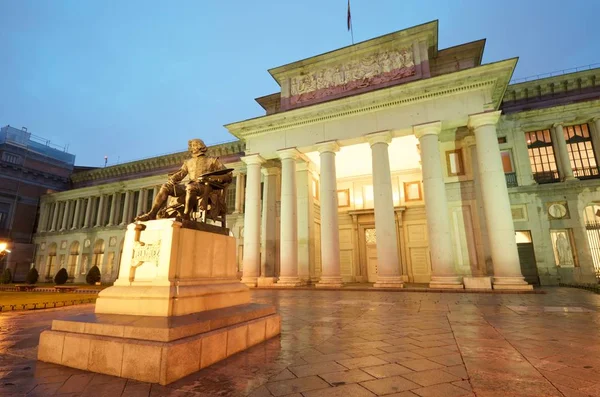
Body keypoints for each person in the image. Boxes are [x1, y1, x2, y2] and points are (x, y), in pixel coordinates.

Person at [135, 138, 231, 221]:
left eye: (193, 145)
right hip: (191, 186)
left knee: (190, 187)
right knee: (166, 187)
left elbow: (228, 174)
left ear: (200, 146)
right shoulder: (188, 162)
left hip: (205, 188)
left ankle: (186, 215)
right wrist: (173, 178)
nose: (191, 148)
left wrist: (214, 178)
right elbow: (181, 174)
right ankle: (152, 214)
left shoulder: (212, 160)